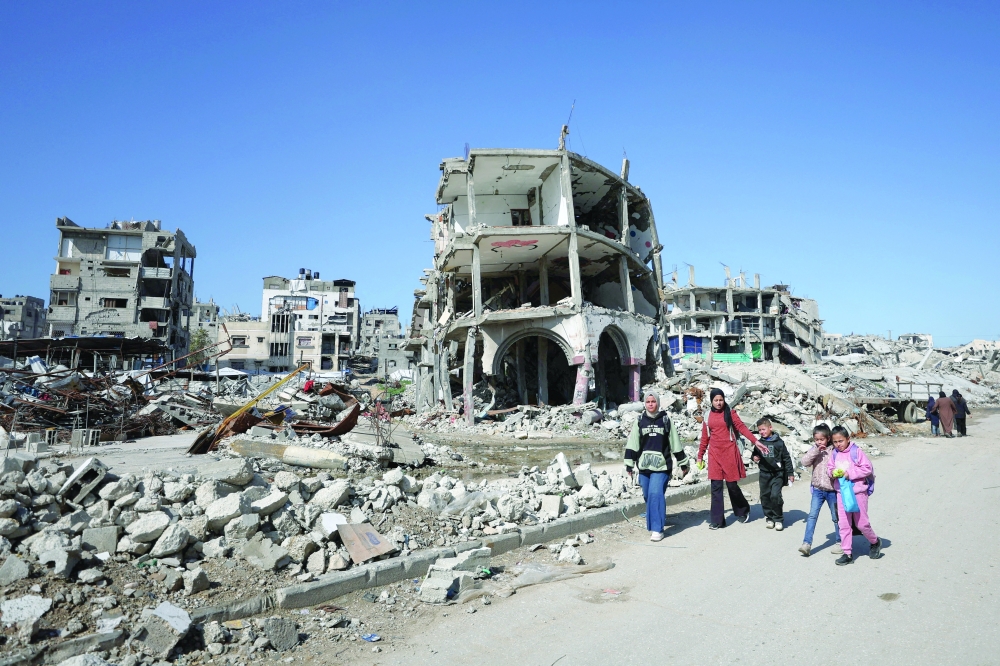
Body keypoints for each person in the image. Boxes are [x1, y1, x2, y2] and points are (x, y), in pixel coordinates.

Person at [697, 388, 769, 529]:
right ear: (711, 401)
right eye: (716, 400)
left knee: (732, 485)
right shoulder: (707, 415)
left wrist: (755, 441)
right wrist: (700, 455)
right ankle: (717, 520)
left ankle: (743, 509)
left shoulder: (730, 413)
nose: (719, 403)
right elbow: (705, 437)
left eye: (721, 400)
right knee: (716, 486)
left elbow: (742, 427)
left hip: (729, 453)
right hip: (714, 454)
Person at [624, 391, 679, 541]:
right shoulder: (640, 421)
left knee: (655, 493)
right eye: (648, 402)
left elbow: (675, 442)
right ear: (644, 403)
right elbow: (633, 442)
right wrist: (629, 464)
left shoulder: (666, 420)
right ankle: (658, 517)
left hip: (662, 466)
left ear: (658, 403)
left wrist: (683, 463)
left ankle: (657, 529)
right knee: (648, 495)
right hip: (644, 467)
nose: (650, 404)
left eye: (653, 401)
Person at [828, 425, 882, 566]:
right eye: (835, 442)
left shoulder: (856, 452)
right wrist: (832, 473)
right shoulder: (834, 454)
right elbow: (830, 467)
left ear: (848, 439)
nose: (838, 444)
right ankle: (847, 553)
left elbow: (867, 468)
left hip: (858, 493)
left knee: (861, 524)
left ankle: (875, 541)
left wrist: (849, 473)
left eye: (841, 441)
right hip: (841, 493)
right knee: (844, 524)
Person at [798, 424, 841, 557]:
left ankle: (840, 541)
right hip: (817, 490)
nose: (819, 442)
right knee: (812, 516)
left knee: (836, 517)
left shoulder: (834, 451)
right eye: (816, 439)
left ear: (828, 439)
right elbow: (804, 462)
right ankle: (806, 543)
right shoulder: (814, 450)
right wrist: (816, 451)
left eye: (822, 439)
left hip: (832, 490)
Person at [750, 417, 794, 530]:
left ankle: (778, 519)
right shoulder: (759, 443)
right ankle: (769, 518)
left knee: (775, 495)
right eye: (759, 430)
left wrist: (790, 473)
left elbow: (786, 458)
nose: (761, 432)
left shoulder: (779, 443)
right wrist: (754, 457)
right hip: (764, 474)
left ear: (770, 428)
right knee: (765, 497)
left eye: (763, 429)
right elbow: (754, 454)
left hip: (778, 474)